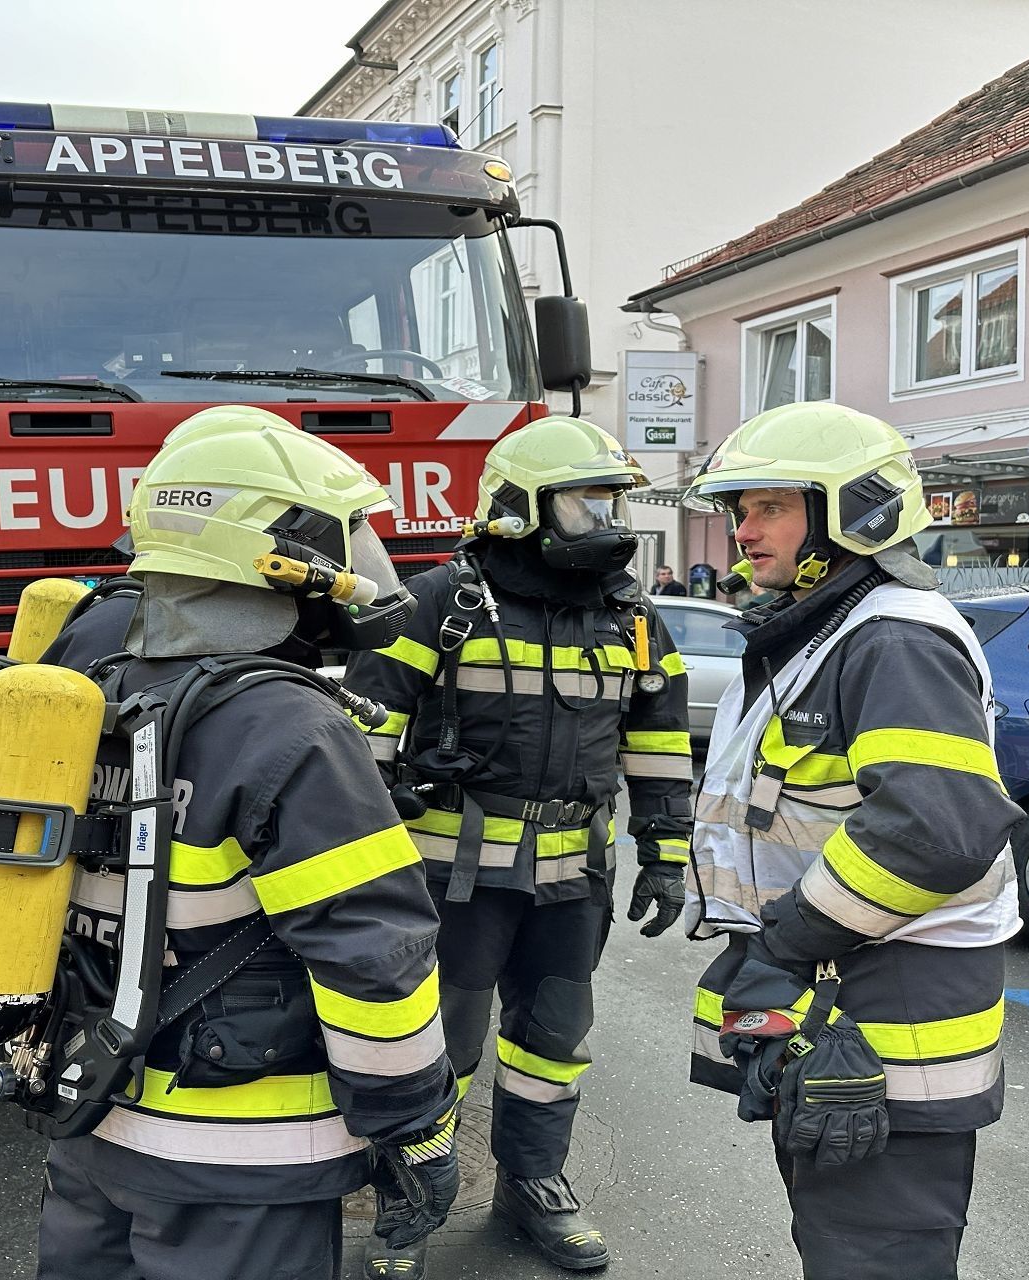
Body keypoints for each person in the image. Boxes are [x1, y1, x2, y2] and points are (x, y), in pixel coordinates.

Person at [34, 404, 459, 1280]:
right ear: (280, 553)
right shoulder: (290, 728)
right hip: (241, 1168)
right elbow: (373, 959)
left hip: (93, 1124)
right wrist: (415, 1129)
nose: (362, 567)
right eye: (347, 540)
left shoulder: (88, 686)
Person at [679, 401, 1024, 1280]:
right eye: (738, 510)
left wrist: (787, 944)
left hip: (890, 1004)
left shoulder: (892, 638)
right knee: (841, 1242)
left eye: (770, 507)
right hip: (842, 983)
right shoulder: (827, 629)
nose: (743, 531)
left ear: (854, 513)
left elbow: (935, 831)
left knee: (877, 1255)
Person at [342, 416, 693, 1276]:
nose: (610, 522)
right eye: (587, 502)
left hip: (573, 882)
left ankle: (533, 1183)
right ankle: (408, 1201)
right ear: (519, 508)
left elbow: (657, 742)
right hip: (449, 883)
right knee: (438, 1051)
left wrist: (667, 850)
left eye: (616, 501)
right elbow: (360, 743)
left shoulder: (633, 620)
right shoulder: (437, 604)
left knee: (552, 1041)